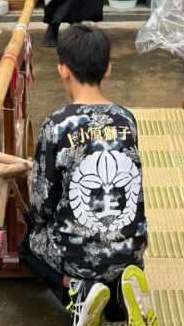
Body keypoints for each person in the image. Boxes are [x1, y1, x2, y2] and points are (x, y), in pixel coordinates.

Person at [20, 24, 157, 326]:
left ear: (62, 71)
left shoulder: (56, 125)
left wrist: (39, 221)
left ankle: (78, 289)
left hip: (76, 255)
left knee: (28, 247)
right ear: (108, 71)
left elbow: (42, 202)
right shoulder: (127, 119)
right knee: (113, 273)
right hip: (130, 250)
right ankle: (121, 295)